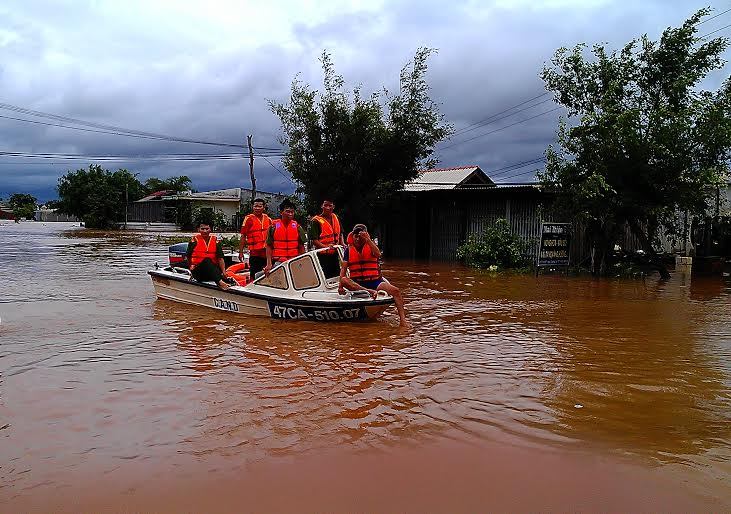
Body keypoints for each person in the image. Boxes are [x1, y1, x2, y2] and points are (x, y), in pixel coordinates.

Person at [339, 223, 409, 327]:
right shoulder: (348, 250)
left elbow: (378, 254)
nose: (358, 238)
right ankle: (369, 292)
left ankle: (403, 321)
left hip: (374, 282)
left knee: (396, 291)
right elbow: (343, 269)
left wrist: (368, 240)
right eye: (355, 235)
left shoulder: (371, 246)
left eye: (360, 235)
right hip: (357, 283)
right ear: (352, 236)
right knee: (343, 280)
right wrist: (340, 286)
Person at [264, 199, 307, 275]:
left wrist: (302, 261)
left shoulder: (298, 227)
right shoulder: (273, 227)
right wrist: (269, 263)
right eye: (287, 211)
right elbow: (268, 246)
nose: (290, 214)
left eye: (292, 212)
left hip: (294, 261)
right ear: (281, 212)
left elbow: (301, 246)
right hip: (279, 262)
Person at [186, 221, 231, 290]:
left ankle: (223, 280)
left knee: (223, 263)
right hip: (198, 271)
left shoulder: (216, 241)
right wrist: (190, 267)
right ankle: (220, 283)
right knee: (207, 260)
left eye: (207, 229)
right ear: (198, 230)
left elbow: (220, 258)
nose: (205, 231)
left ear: (210, 229)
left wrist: (223, 272)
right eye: (202, 229)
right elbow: (188, 256)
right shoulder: (194, 241)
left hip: (212, 271)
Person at [308, 199, 345, 278]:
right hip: (323, 255)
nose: (328, 208)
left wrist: (342, 243)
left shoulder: (336, 218)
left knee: (337, 275)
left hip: (335, 253)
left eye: (330, 205)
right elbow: (314, 241)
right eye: (325, 205)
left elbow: (340, 233)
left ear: (333, 207)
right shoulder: (316, 221)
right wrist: (326, 247)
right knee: (325, 276)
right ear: (322, 206)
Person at [239, 198, 272, 282]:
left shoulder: (268, 219)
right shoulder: (248, 219)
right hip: (255, 253)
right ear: (252, 207)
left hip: (266, 252)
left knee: (267, 274)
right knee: (254, 274)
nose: (257, 208)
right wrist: (241, 252)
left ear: (264, 207)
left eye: (259, 206)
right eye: (255, 206)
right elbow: (243, 236)